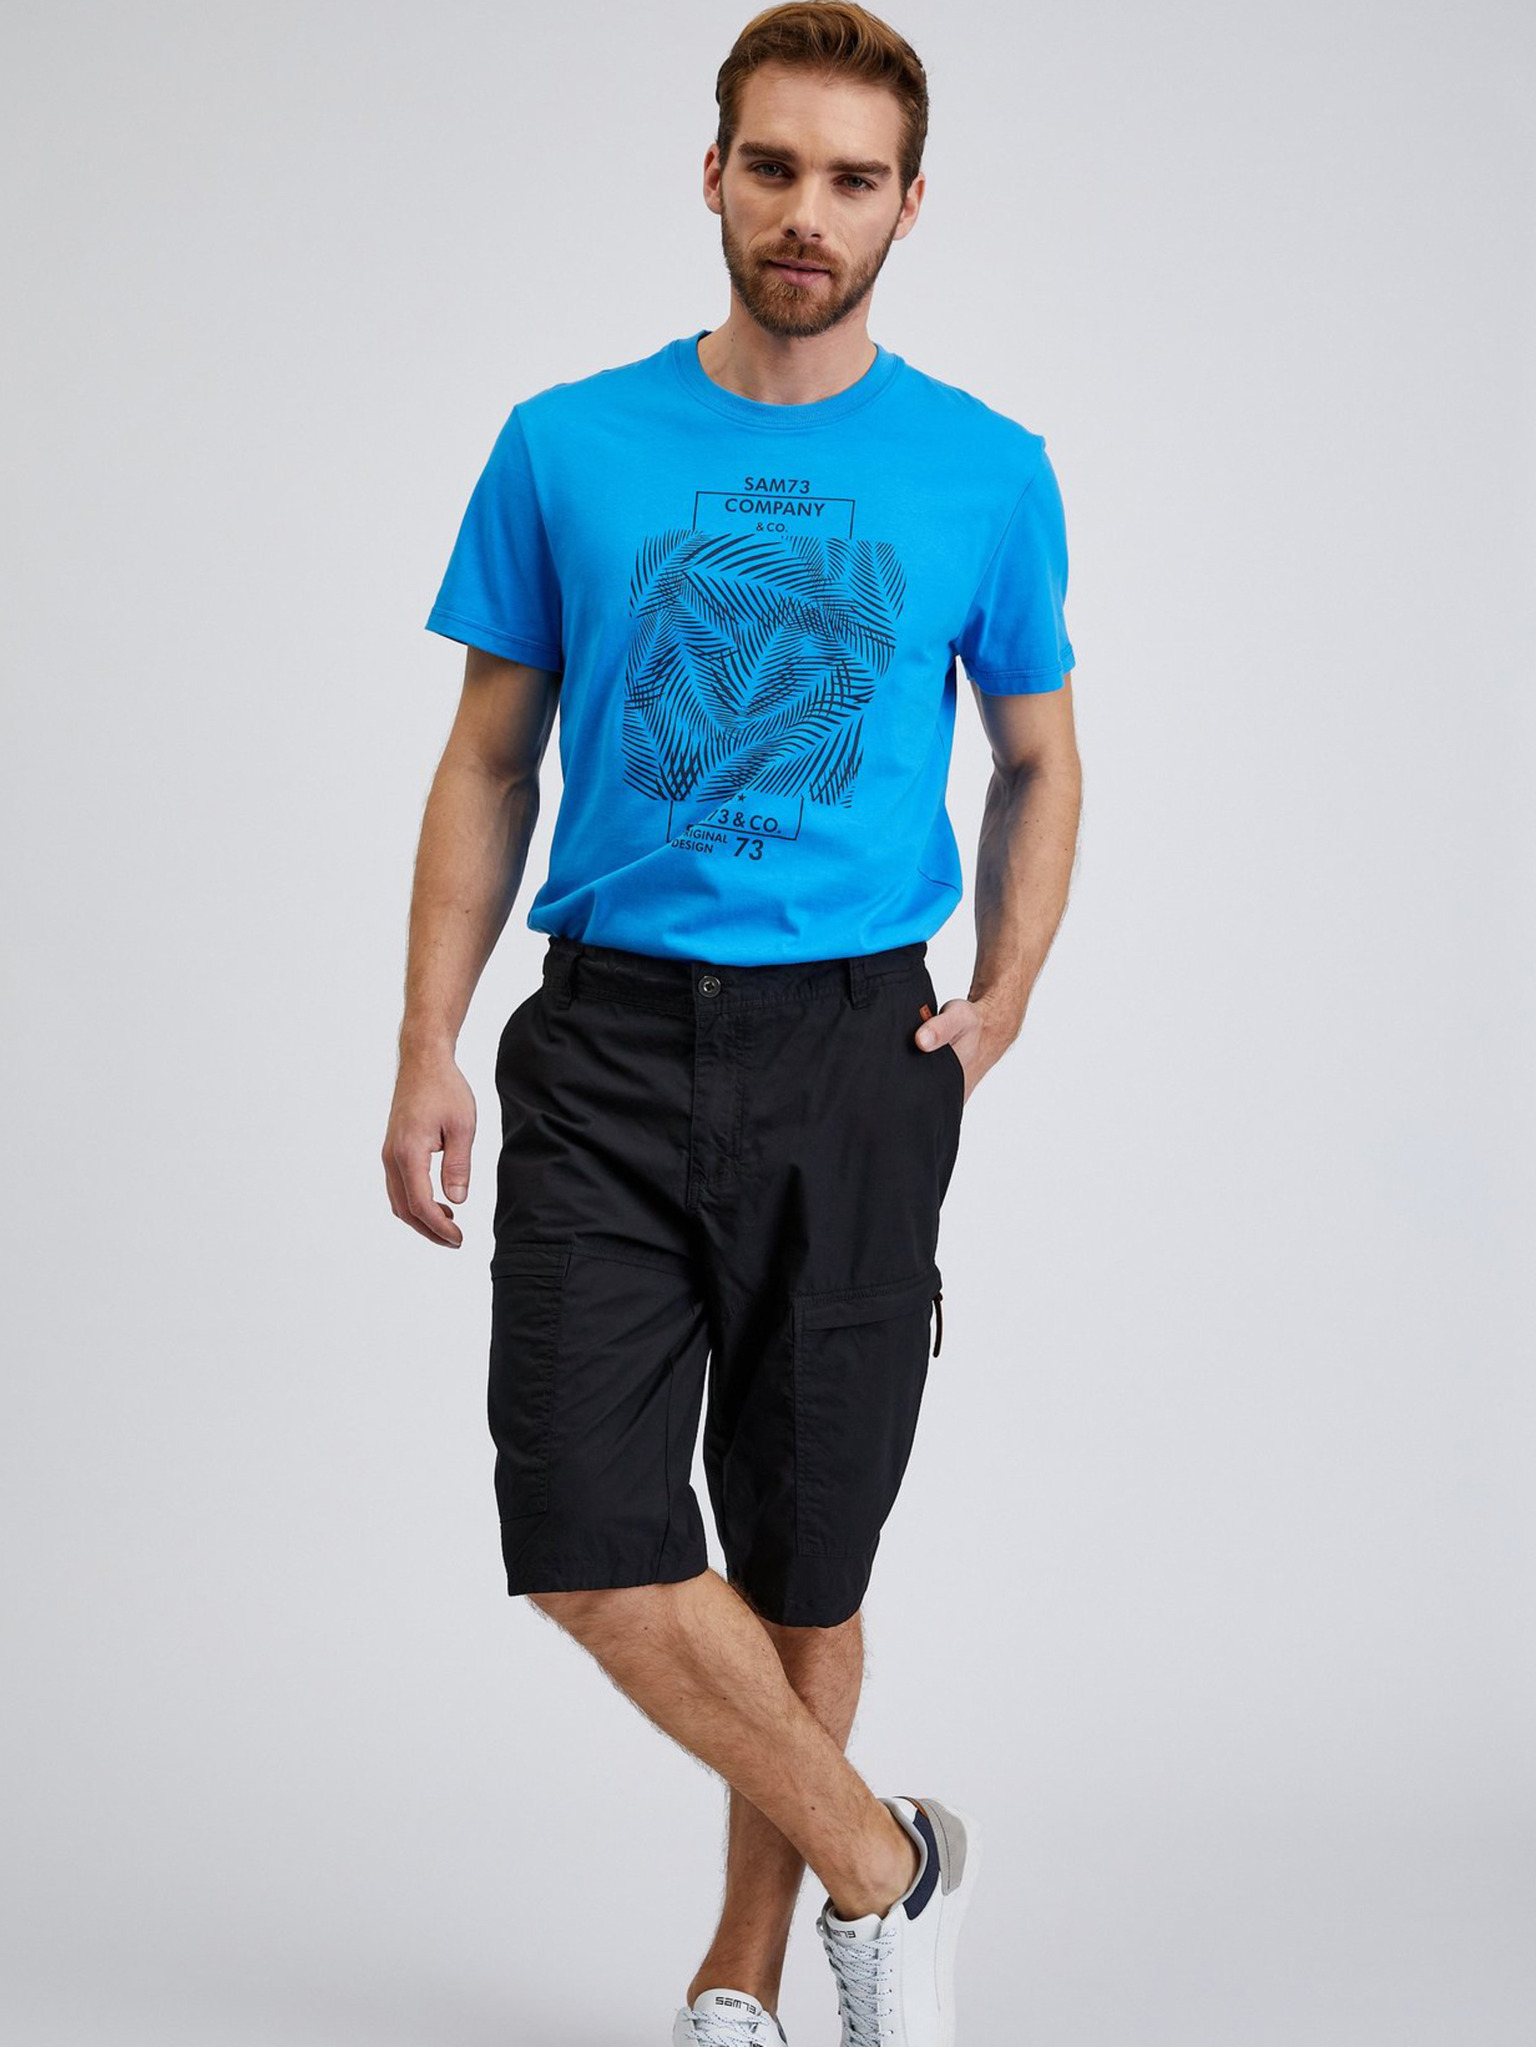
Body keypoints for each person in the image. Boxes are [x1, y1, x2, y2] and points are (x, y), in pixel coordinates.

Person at [382, 4, 1082, 2041]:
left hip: (856, 1053)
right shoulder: (566, 443)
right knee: (586, 1536)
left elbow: (1040, 757)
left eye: (853, 179)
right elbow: (487, 758)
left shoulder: (986, 470)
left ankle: (746, 1983)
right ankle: (893, 1868)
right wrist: (426, 1039)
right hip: (603, 1043)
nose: (806, 213)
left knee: (805, 1556)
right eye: (773, 166)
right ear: (713, 174)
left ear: (909, 206)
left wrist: (1008, 991)